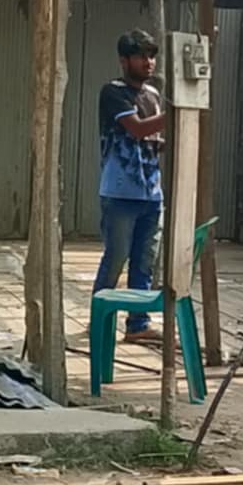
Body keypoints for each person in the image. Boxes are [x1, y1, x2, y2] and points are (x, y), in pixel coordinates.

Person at [95, 29, 166, 342]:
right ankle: (101, 320)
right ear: (124, 61)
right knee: (116, 257)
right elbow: (137, 129)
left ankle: (138, 324)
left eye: (151, 56)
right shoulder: (113, 92)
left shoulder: (152, 95)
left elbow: (152, 137)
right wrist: (178, 113)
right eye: (140, 56)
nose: (148, 62)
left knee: (144, 261)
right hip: (120, 191)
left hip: (151, 191)